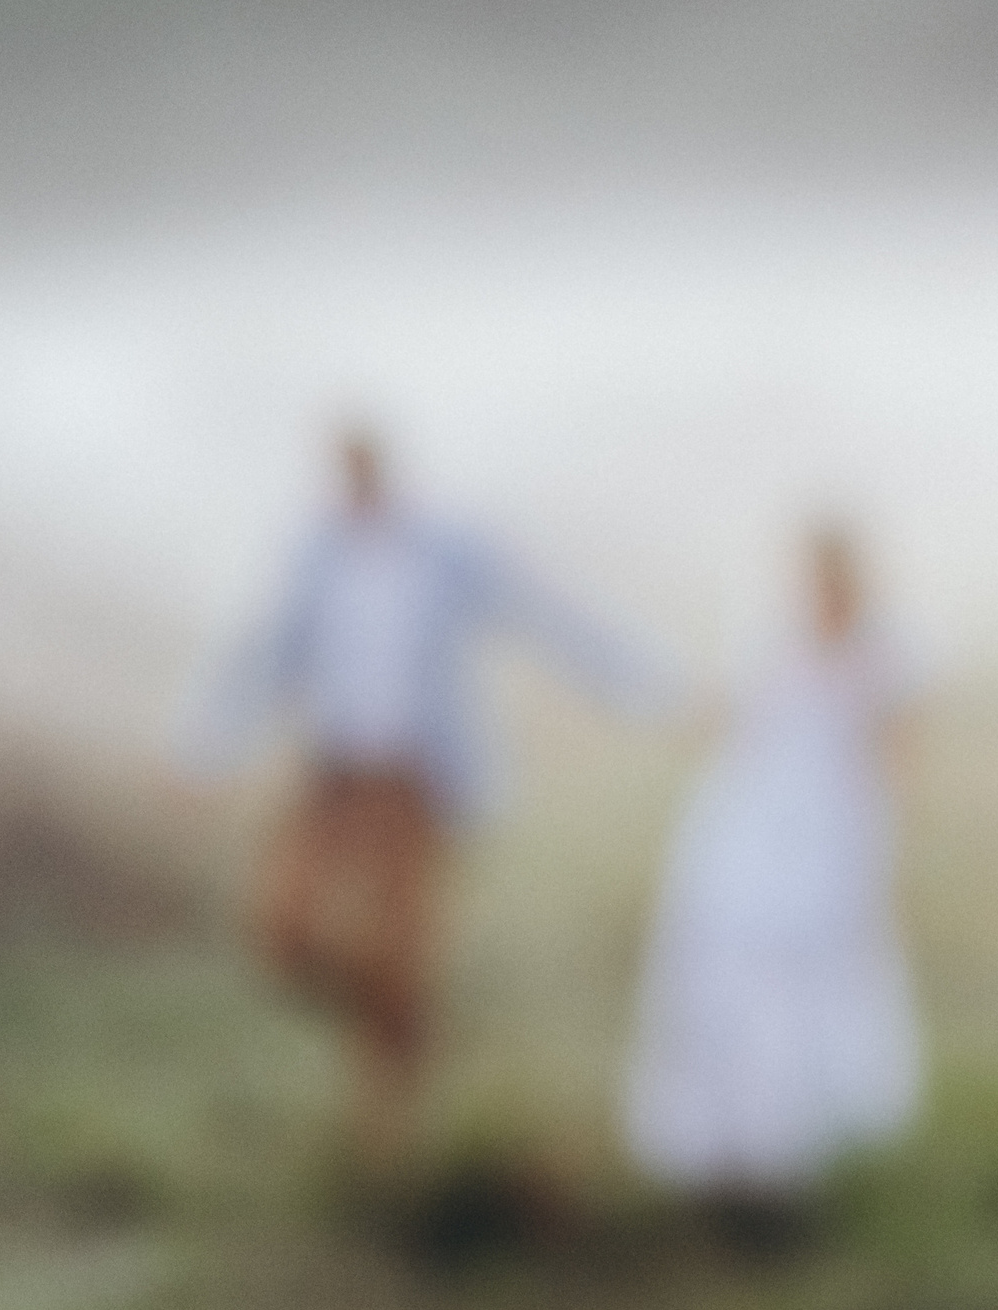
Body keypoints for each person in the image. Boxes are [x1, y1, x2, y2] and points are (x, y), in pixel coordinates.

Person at [189, 425, 674, 1165]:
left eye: (362, 466)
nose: (352, 481)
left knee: (399, 952)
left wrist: (645, 687)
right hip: (336, 777)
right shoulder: (315, 551)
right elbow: (267, 650)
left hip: (419, 785)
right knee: (284, 934)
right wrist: (203, 746)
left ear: (385, 468)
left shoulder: (447, 547)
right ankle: (407, 1022)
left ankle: (386, 1136)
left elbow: (546, 614)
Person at [623, 522, 921, 1197]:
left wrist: (879, 844)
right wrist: (657, 698)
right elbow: (726, 717)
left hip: (831, 833)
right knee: (727, 968)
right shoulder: (770, 642)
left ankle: (790, 1148)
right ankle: (726, 1139)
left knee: (804, 978)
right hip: (746, 826)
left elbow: (897, 756)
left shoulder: (885, 653)